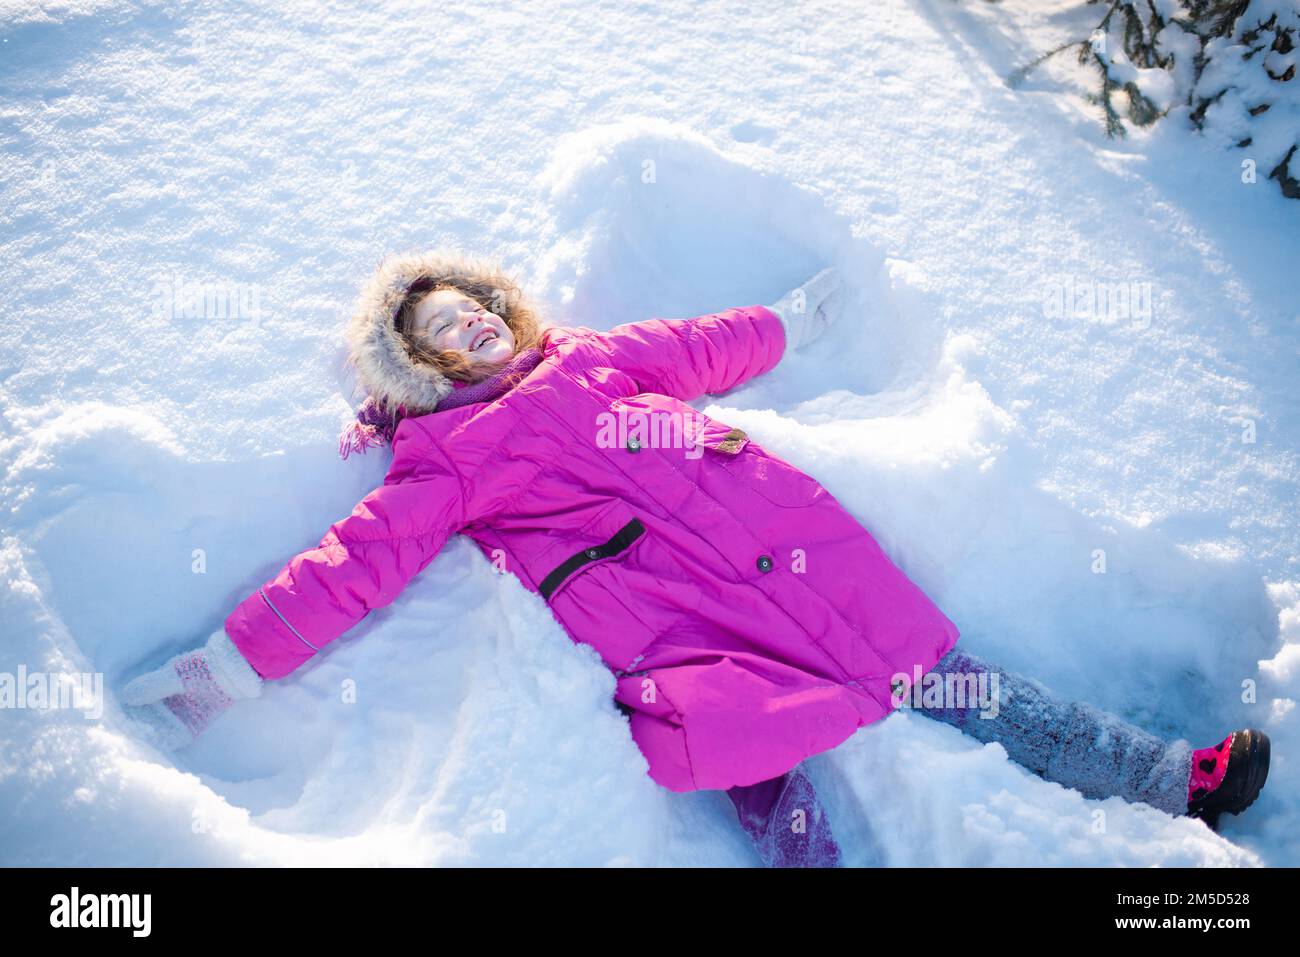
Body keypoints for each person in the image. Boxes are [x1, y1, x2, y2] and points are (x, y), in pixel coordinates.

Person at [121, 251, 1271, 866]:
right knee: (754, 758)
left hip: (800, 563)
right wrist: (226, 668)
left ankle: (1169, 780)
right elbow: (347, 568)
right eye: (440, 334)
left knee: (964, 683)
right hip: (674, 620)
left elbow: (707, 346)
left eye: (474, 311)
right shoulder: (446, 459)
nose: (469, 329)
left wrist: (799, 320)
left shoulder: (591, 359)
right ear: (414, 368)